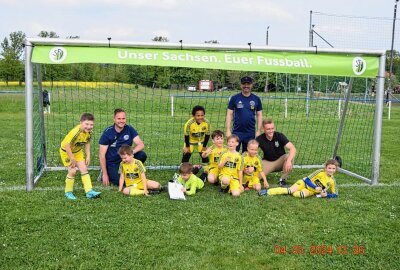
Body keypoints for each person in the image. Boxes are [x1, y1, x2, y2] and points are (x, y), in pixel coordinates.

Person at [99, 108, 147, 186]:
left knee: (142, 155)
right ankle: (106, 171)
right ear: (114, 119)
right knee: (119, 181)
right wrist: (105, 174)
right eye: (119, 118)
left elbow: (141, 144)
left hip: (126, 159)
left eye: (123, 118)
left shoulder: (129, 129)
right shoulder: (107, 133)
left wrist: (130, 153)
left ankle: (131, 170)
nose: (121, 121)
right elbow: (101, 155)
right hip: (113, 162)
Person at [59, 113, 101, 200]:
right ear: (81, 122)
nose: (89, 126)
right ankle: (68, 192)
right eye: (86, 124)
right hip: (66, 152)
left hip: (77, 152)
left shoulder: (88, 132)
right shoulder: (75, 132)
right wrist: (72, 158)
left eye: (91, 124)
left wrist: (88, 155)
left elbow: (87, 143)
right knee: (73, 171)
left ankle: (89, 192)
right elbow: (67, 146)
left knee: (84, 169)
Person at [259, 159, 339, 198]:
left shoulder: (332, 181)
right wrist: (315, 187)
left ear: (336, 169)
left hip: (310, 191)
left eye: (333, 169)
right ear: (325, 168)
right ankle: (268, 192)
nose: (331, 170)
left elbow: (335, 194)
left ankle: (294, 191)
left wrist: (326, 195)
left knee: (300, 195)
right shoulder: (320, 172)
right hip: (303, 184)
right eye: (329, 168)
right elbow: (307, 179)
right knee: (289, 190)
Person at [225, 76, 263, 152]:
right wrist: (228, 130)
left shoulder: (256, 99)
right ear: (241, 85)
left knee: (248, 156)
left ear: (251, 85)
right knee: (232, 154)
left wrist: (258, 131)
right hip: (237, 132)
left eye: (248, 84)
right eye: (244, 84)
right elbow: (229, 114)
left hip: (250, 132)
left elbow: (259, 115)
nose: (246, 86)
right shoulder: (234, 98)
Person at [256, 118, 296, 187]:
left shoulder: (279, 136)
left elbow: (293, 148)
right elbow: (253, 152)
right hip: (268, 162)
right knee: (255, 179)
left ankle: (282, 180)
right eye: (268, 129)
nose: (271, 131)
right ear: (263, 129)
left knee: (289, 157)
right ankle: (263, 176)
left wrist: (289, 161)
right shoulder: (259, 139)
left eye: (272, 128)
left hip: (281, 161)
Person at [182, 105, 210, 180]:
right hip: (190, 141)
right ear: (193, 116)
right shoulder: (189, 124)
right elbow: (186, 135)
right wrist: (187, 146)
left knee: (204, 155)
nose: (200, 117)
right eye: (198, 115)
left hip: (201, 141)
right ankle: (184, 171)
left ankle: (206, 171)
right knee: (186, 154)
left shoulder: (207, 123)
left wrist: (204, 146)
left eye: (202, 115)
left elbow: (207, 134)